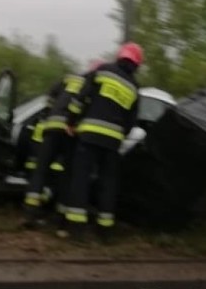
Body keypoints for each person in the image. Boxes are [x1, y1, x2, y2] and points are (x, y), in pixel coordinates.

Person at [60, 43, 143, 239]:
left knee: (81, 179)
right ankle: (105, 230)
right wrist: (119, 135)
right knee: (108, 183)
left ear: (120, 56)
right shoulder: (134, 87)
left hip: (89, 135)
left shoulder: (102, 71)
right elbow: (131, 122)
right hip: (113, 142)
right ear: (137, 64)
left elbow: (80, 98)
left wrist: (71, 121)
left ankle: (76, 228)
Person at [21, 69, 87, 226]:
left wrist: (51, 112)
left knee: (41, 169)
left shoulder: (69, 78)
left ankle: (30, 211)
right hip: (70, 130)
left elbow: (50, 97)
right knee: (67, 174)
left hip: (51, 125)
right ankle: (60, 216)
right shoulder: (91, 84)